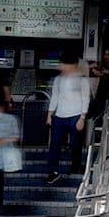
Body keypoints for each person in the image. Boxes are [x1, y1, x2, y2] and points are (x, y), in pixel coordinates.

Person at [45, 53, 91, 184]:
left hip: (76, 115)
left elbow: (86, 99)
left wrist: (82, 118)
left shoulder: (82, 79)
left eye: (64, 64)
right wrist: (49, 115)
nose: (61, 66)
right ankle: (53, 172)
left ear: (73, 65)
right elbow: (55, 97)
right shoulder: (58, 79)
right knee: (55, 143)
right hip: (59, 116)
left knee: (75, 144)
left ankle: (75, 168)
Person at [88, 50, 109, 119]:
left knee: (107, 114)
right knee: (96, 113)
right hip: (100, 93)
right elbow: (89, 67)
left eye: (108, 55)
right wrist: (94, 70)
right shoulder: (101, 64)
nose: (106, 57)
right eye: (105, 54)